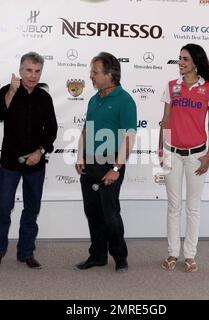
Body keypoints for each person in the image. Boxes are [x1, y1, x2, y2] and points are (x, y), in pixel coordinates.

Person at [0, 52, 57, 269]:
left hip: (36, 163)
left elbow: (52, 131)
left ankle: (26, 252)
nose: (33, 75)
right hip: (10, 162)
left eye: (37, 71)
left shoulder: (45, 98)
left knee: (31, 209)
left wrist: (40, 151)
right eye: (29, 70)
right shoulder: (7, 92)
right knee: (3, 207)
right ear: (20, 70)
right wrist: (11, 90)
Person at [75, 52, 137, 273]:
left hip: (110, 164)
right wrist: (80, 155)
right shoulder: (94, 99)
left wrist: (116, 168)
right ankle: (98, 256)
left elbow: (129, 138)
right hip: (90, 164)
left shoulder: (125, 100)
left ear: (110, 75)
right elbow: (85, 130)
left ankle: (120, 257)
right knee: (92, 212)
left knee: (110, 213)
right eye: (91, 71)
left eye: (95, 72)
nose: (91, 76)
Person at [159, 44, 209, 273]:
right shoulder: (171, 87)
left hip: (197, 155)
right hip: (172, 153)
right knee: (174, 206)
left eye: (184, 59)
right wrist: (161, 150)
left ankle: (190, 255)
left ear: (196, 62)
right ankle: (173, 252)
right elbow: (165, 120)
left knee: (193, 207)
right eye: (179, 58)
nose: (180, 62)